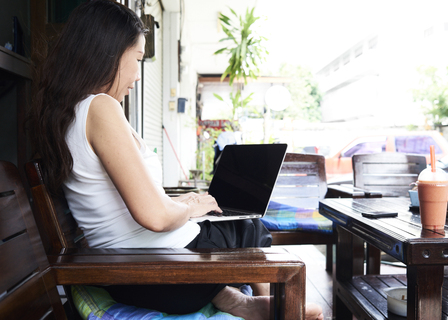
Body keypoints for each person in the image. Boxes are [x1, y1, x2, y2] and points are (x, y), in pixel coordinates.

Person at [29, 1, 323, 319]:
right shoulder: (101, 107)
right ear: (109, 53)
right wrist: (190, 208)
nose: (138, 76)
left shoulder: (68, 112)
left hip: (129, 271)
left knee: (222, 217)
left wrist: (182, 203)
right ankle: (280, 309)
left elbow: (117, 201)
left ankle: (241, 302)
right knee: (248, 224)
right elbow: (155, 217)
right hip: (159, 272)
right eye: (138, 59)